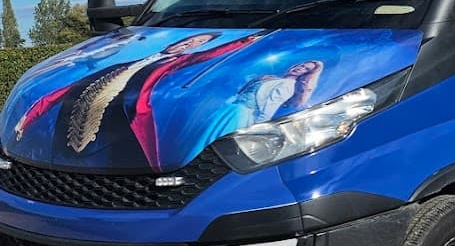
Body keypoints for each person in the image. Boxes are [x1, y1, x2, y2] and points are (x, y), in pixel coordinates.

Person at [13, 31, 266, 170]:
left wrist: (246, 41)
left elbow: (210, 54)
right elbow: (63, 92)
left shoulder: (180, 62)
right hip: (71, 130)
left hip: (127, 122)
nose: (190, 43)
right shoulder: (127, 61)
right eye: (190, 40)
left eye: (196, 43)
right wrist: (26, 118)